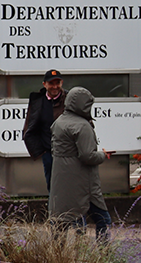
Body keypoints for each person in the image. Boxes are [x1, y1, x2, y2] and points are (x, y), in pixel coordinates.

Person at [48, 86, 113, 240]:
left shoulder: (58, 122)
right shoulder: (82, 126)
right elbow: (87, 156)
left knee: (61, 221)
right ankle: (103, 252)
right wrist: (103, 155)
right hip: (82, 182)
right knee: (103, 219)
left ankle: (56, 253)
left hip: (61, 181)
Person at [22, 69, 66, 191]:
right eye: (51, 83)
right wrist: (41, 151)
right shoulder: (38, 101)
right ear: (44, 84)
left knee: (68, 185)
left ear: (62, 83)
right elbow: (30, 126)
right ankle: (53, 204)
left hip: (67, 152)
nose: (55, 87)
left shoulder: (68, 99)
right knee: (52, 185)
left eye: (57, 83)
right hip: (48, 152)